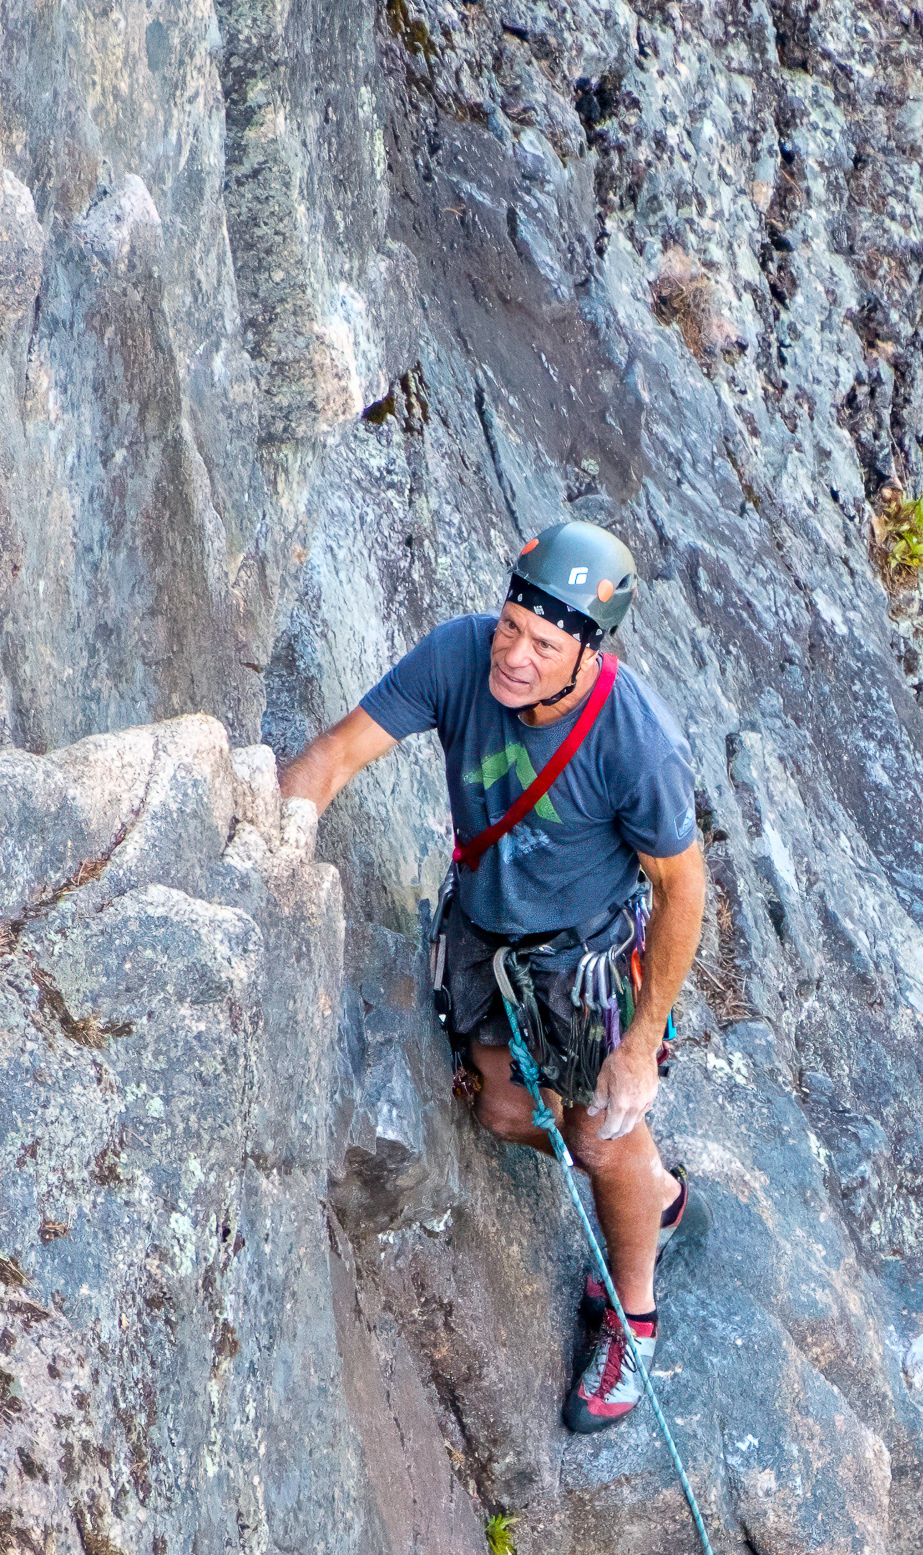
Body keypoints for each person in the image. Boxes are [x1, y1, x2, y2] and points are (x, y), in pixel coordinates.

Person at [278, 519, 708, 1433]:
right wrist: (269, 854)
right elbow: (336, 755)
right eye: (512, 625)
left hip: (585, 958)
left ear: (589, 651)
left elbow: (683, 893)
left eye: (544, 644)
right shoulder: (460, 655)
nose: (513, 656)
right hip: (486, 927)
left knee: (601, 1137)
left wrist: (638, 1045)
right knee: (501, 1109)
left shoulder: (637, 743)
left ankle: (634, 1316)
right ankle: (657, 1197)